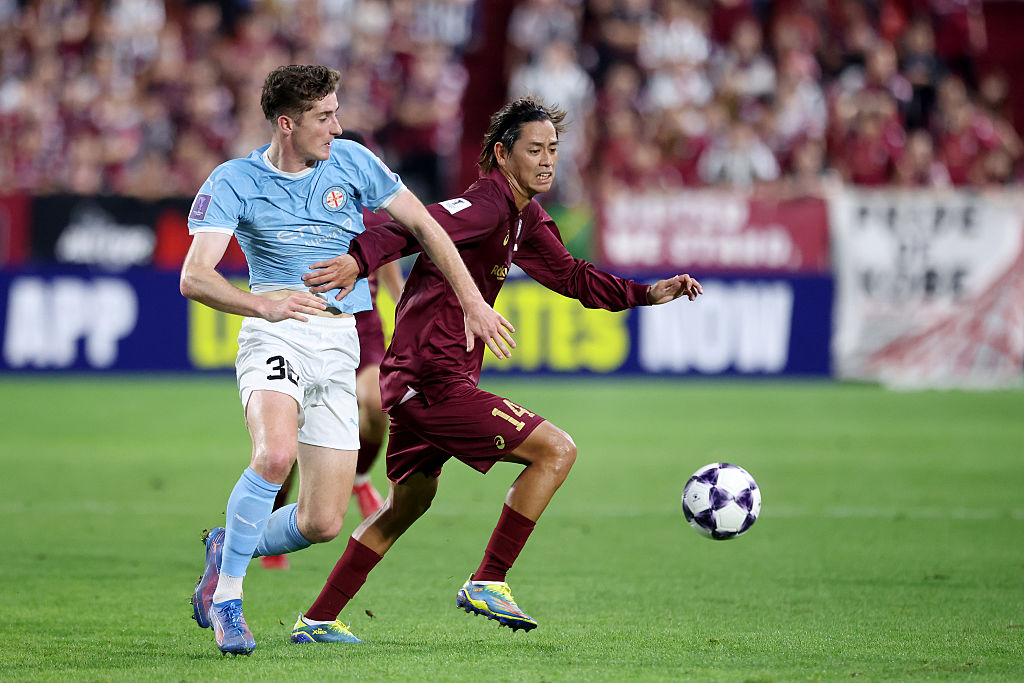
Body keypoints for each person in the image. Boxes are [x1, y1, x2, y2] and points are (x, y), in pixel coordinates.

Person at [291, 96, 702, 642]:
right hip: (430, 379)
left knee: (405, 506)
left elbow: (572, 276)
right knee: (556, 451)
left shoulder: (523, 215)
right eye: (534, 150)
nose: (547, 160)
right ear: (503, 155)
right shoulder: (485, 205)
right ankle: (489, 579)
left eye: (553, 149)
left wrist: (647, 293)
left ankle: (317, 619)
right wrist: (358, 258)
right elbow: (416, 225)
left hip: (426, 379)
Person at [180, 64, 515, 656]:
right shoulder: (235, 180)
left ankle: (228, 544)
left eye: (337, 113)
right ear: (287, 124)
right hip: (277, 337)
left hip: (340, 345)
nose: (337, 127)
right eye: (324, 117)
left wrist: (472, 301)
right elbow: (194, 276)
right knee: (275, 455)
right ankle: (228, 600)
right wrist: (264, 304)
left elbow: (427, 226)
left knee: (322, 523)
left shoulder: (354, 161)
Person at [260, 259, 403, 571]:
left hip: (364, 332)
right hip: (309, 330)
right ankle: (270, 527)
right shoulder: (311, 230)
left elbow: (395, 282)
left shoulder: (378, 227)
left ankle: (359, 478)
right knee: (290, 435)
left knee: (377, 403)